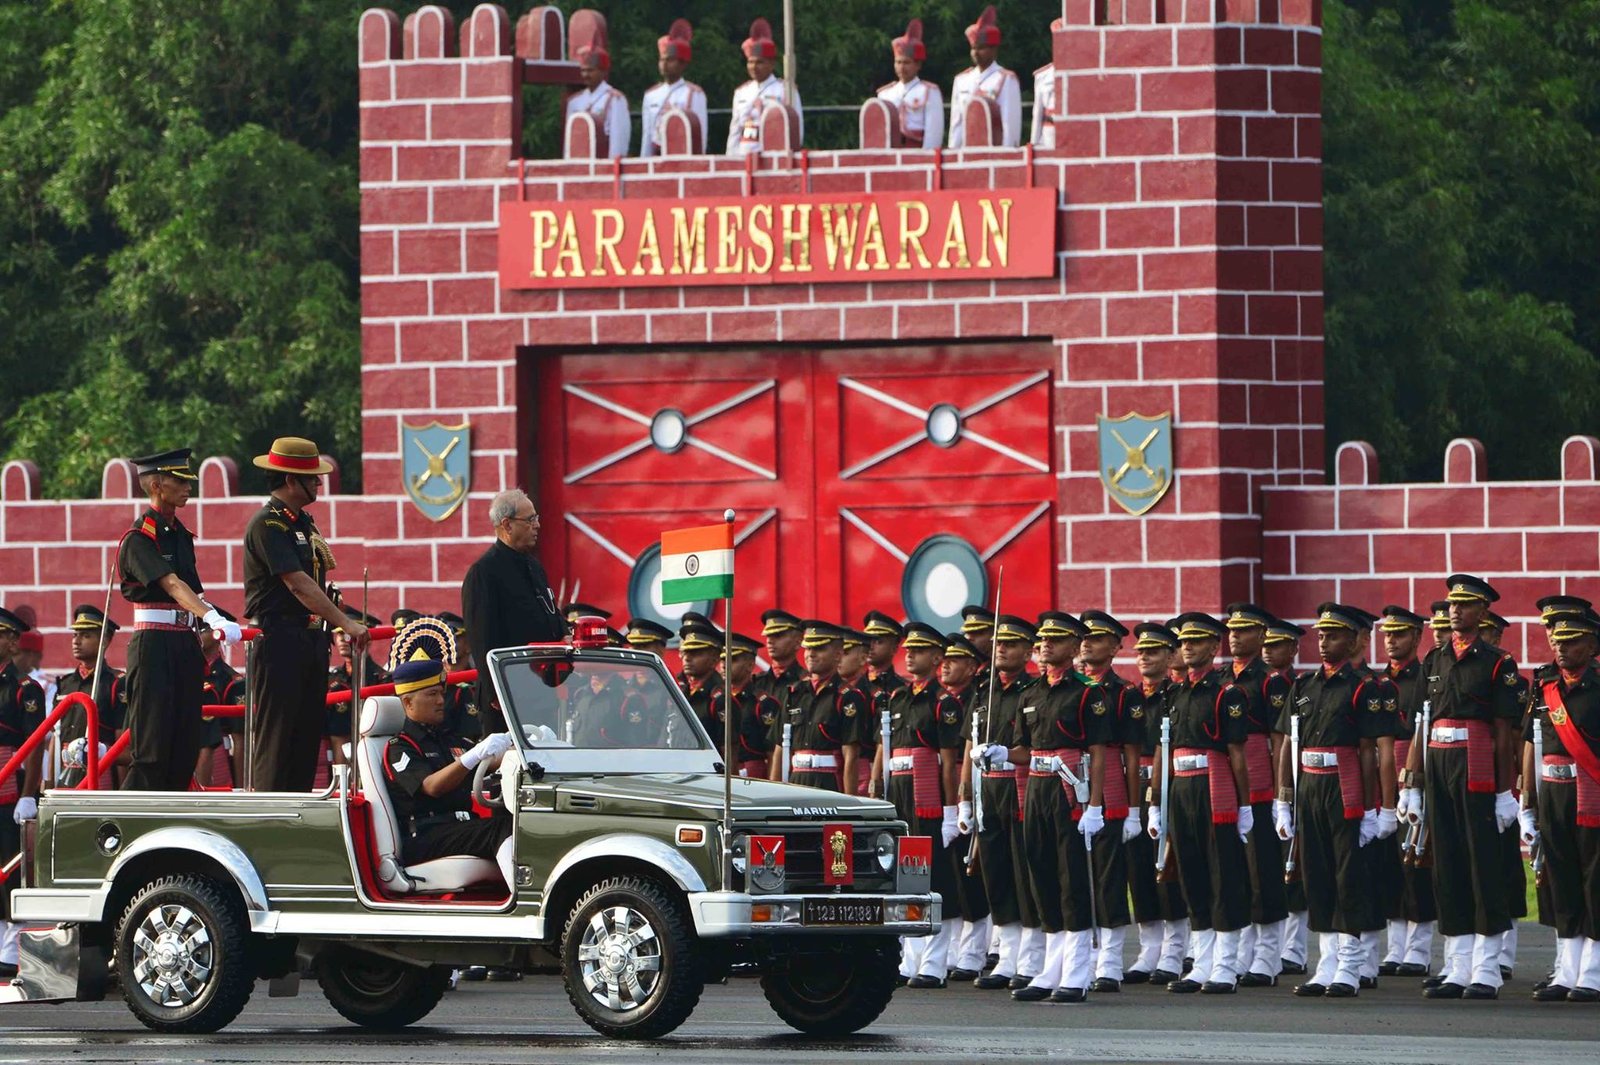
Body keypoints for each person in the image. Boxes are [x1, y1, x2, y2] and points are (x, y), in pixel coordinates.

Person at [1399, 574, 1523, 1000]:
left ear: (1482, 612)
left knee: (1481, 864)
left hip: (1478, 767)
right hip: (1439, 764)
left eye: (1465, 605)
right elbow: (1422, 723)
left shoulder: (1497, 662)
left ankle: (1486, 967)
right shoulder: (1433, 660)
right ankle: (1457, 964)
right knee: (1447, 864)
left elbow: (1505, 732)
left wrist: (1506, 792)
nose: (1455, 611)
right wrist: (1412, 783)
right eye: (1452, 605)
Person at [1272, 604, 1397, 998]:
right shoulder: (1304, 687)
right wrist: (1283, 800)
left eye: (1334, 635)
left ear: (1355, 640)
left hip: (1344, 787)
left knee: (1349, 876)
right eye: (1322, 635)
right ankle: (1326, 961)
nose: (1325, 642)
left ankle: (1350, 963)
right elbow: (1288, 745)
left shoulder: (1366, 687)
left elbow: (1369, 751)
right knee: (1318, 874)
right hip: (1309, 785)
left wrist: (1375, 808)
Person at [242, 438, 363, 792]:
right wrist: (347, 624)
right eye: (312, 478)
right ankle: (268, 823)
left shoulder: (302, 522)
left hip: (308, 639)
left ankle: (294, 810)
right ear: (291, 480)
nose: (319, 484)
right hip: (279, 639)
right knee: (278, 741)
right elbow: (298, 584)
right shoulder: (269, 525)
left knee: (305, 739)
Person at [118, 449, 238, 791]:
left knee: (185, 744)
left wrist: (214, 619)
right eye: (179, 480)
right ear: (156, 484)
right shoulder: (139, 539)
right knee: (153, 750)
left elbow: (192, 593)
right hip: (153, 644)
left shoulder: (180, 534)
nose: (188, 487)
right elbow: (172, 584)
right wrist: (212, 616)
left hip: (184, 641)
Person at [1146, 612, 1252, 994]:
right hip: (1181, 787)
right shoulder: (1173, 694)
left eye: (1196, 640)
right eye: (1183, 641)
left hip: (1214, 786)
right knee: (1191, 875)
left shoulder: (1227, 693)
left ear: (1214, 646)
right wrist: (1156, 801)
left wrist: (1244, 806)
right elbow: (1163, 749)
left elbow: (1237, 753)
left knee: (1222, 876)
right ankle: (1201, 962)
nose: (1187, 647)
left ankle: (1225, 964)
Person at [1012, 611, 1110, 1003]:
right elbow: (1024, 749)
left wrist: (1096, 806)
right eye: (1043, 639)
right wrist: (1000, 753)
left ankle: (1077, 970)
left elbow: (1099, 754)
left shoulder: (1087, 692)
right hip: (1037, 789)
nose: (1046, 645)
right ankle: (1050, 967)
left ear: (1073, 647)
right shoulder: (1030, 694)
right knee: (1041, 873)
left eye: (1056, 639)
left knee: (1072, 876)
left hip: (1071, 789)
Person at [878, 623, 966, 987]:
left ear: (936, 658)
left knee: (933, 879)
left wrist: (949, 810)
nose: (910, 655)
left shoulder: (942, 704)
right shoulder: (897, 699)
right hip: (899, 795)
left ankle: (933, 962)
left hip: (926, 797)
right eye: (908, 650)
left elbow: (948, 761)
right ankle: (908, 959)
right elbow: (884, 751)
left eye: (920, 650)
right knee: (903, 879)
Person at [382, 657, 516, 893]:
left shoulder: (447, 739)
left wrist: (520, 747)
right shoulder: (400, 747)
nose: (441, 700)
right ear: (408, 702)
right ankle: (523, 899)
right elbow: (432, 786)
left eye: (441, 693)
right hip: (426, 835)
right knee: (500, 828)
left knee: (519, 823)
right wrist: (473, 755)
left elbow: (488, 762)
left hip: (459, 828)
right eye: (431, 694)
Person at [1521, 605, 1600, 1002]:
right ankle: (1567, 969)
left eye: (1571, 642)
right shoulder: (1545, 685)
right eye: (1557, 641)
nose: (1561, 648)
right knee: (1562, 877)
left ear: (1592, 644)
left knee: (1594, 877)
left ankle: (1594, 970)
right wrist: (1526, 801)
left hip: (1591, 790)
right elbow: (1530, 743)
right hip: (1552, 791)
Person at [963, 615, 1042, 990]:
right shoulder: (984, 692)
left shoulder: (1034, 690)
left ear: (1028, 651)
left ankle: (1031, 957)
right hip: (987, 791)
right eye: (998, 644)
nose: (1002, 650)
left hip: (1020, 788)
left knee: (1024, 873)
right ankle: (1006, 957)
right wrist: (964, 797)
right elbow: (968, 747)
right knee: (996, 875)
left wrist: (1007, 753)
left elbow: (1034, 747)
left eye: (1010, 644)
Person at [1222, 603, 1292, 986]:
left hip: (1259, 783)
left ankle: (1268, 955)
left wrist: (1281, 793)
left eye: (1244, 630)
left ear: (1261, 635)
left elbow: (1280, 739)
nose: (1235, 636)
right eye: (1231, 630)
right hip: (1224, 785)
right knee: (1234, 870)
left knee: (1262, 869)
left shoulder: (1271, 681)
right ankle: (1241, 950)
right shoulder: (1221, 678)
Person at [461, 489, 564, 733]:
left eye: (536, 518)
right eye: (530, 520)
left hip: (540, 692)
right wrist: (498, 693)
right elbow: (482, 641)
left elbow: (549, 611)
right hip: (506, 700)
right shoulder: (484, 573)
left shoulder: (534, 566)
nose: (537, 526)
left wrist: (565, 633)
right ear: (507, 525)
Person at [1076, 611, 1142, 991]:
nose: (1087, 643)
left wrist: (1133, 810)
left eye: (1098, 638)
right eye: (1084, 637)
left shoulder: (1124, 693)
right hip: (1074, 787)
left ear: (1116, 647)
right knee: (1077, 878)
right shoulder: (1073, 687)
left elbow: (1131, 756)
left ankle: (1111, 961)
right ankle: (1081, 956)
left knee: (1108, 878)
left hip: (1111, 791)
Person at [1125, 622, 1189, 985]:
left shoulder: (1176, 696)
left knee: (1169, 870)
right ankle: (1149, 948)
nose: (1145, 658)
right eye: (1140, 652)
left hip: (1169, 786)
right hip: (1138, 785)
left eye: (1153, 652)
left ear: (1169, 656)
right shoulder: (1133, 697)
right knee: (1139, 871)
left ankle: (1174, 948)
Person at [1375, 605, 1436, 977]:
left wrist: (1414, 781)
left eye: (1399, 634)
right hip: (1383, 777)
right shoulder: (1376, 683)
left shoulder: (1424, 679)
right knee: (1388, 865)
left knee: (1417, 863)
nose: (1392, 640)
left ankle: (1418, 949)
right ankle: (1395, 947)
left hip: (1414, 774)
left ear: (1416, 637)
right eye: (1387, 634)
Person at [1479, 609, 1530, 978]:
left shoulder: (1515, 682)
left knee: (1506, 869)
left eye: (1487, 634)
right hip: (1473, 777)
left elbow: (1517, 741)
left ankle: (1504, 953)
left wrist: (1517, 791)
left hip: (1505, 784)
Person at [940, 632, 991, 981]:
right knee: (956, 875)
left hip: (981, 790)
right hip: (956, 792)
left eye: (955, 660)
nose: (946, 665)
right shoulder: (944, 701)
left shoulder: (978, 699)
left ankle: (976, 949)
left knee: (976, 877)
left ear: (972, 667)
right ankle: (960, 947)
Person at [0, 606, 46, 979]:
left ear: (13, 642)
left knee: (10, 867)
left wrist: (28, 794)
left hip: (10, 788)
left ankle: (14, 941)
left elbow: (34, 745)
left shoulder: (25, 689)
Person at [769, 621, 866, 792]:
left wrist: (851, 802)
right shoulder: (794, 693)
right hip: (796, 781)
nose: (811, 654)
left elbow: (851, 755)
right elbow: (779, 749)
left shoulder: (847, 696)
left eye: (819, 649)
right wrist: (773, 794)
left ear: (837, 654)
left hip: (829, 781)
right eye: (808, 649)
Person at [53, 605, 127, 789]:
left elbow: (123, 743)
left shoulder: (116, 683)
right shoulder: (65, 684)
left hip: (100, 776)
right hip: (66, 777)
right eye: (75, 635)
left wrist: (123, 791)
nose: (76, 641)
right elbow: (56, 737)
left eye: (86, 636)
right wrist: (47, 783)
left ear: (105, 641)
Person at [726, 18, 802, 155]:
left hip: (773, 156)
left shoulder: (785, 90)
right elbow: (735, 130)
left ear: (771, 64)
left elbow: (797, 131)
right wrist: (730, 158)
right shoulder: (742, 92)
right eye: (750, 62)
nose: (754, 67)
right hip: (744, 153)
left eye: (760, 62)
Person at [948, 6, 1021, 149]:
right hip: (967, 149)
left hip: (994, 148)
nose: (976, 52)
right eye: (973, 48)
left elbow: (1009, 123)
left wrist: (1007, 155)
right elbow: (957, 123)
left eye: (981, 48)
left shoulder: (1005, 79)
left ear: (994, 49)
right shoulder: (961, 80)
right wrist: (954, 153)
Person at [641, 19, 707, 157]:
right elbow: (647, 134)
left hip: (682, 153)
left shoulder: (693, 93)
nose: (664, 64)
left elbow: (700, 135)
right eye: (662, 59)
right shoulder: (651, 95)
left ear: (682, 64)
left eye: (670, 60)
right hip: (656, 153)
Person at [876, 19, 944, 149]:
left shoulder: (929, 91)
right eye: (898, 62)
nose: (902, 67)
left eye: (907, 63)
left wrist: (927, 157)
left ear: (918, 64)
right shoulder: (885, 94)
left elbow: (933, 132)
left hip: (916, 149)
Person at [565, 30, 629, 158]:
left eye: (590, 71)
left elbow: (618, 140)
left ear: (603, 71)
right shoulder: (574, 102)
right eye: (583, 71)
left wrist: (613, 167)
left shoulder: (614, 99)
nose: (586, 75)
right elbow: (570, 141)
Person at [723, 632, 779, 778]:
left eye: (732, 659)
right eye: (722, 659)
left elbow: (773, 752)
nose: (724, 665)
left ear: (750, 665)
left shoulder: (763, 704)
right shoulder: (718, 701)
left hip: (753, 776)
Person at [754, 608, 804, 700]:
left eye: (778, 636)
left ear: (797, 642)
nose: (770, 641)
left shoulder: (806, 683)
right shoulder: (755, 683)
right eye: (768, 636)